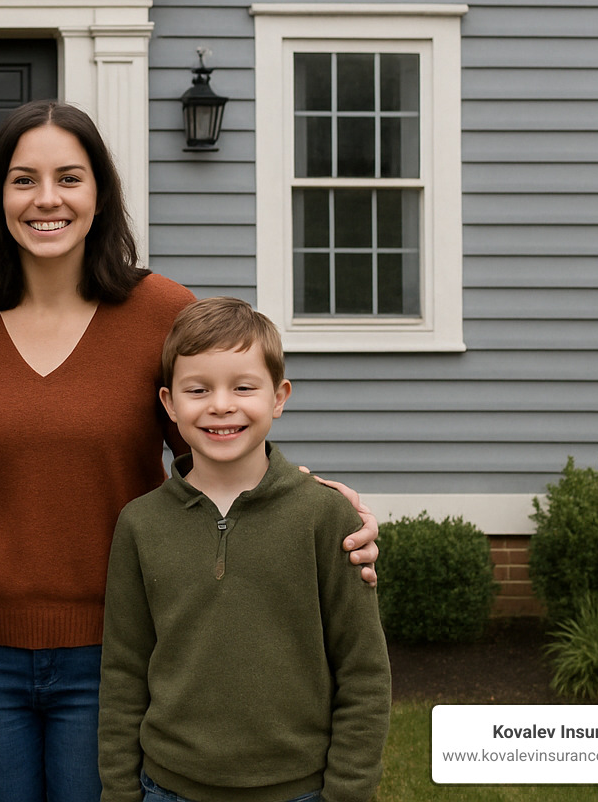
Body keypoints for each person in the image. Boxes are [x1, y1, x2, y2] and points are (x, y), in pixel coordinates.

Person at [0, 101, 379, 802]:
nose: (47, 199)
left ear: (100, 193)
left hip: (119, 651)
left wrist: (316, 501)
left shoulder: (160, 311)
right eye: (23, 179)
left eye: (70, 178)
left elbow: (216, 439)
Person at [98, 297, 391, 802]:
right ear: (169, 404)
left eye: (243, 387)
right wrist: (121, 791)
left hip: (297, 789)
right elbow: (124, 671)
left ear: (279, 397)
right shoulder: (140, 524)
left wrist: (347, 792)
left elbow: (363, 672)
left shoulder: (325, 519)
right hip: (169, 787)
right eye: (198, 389)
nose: (221, 405)